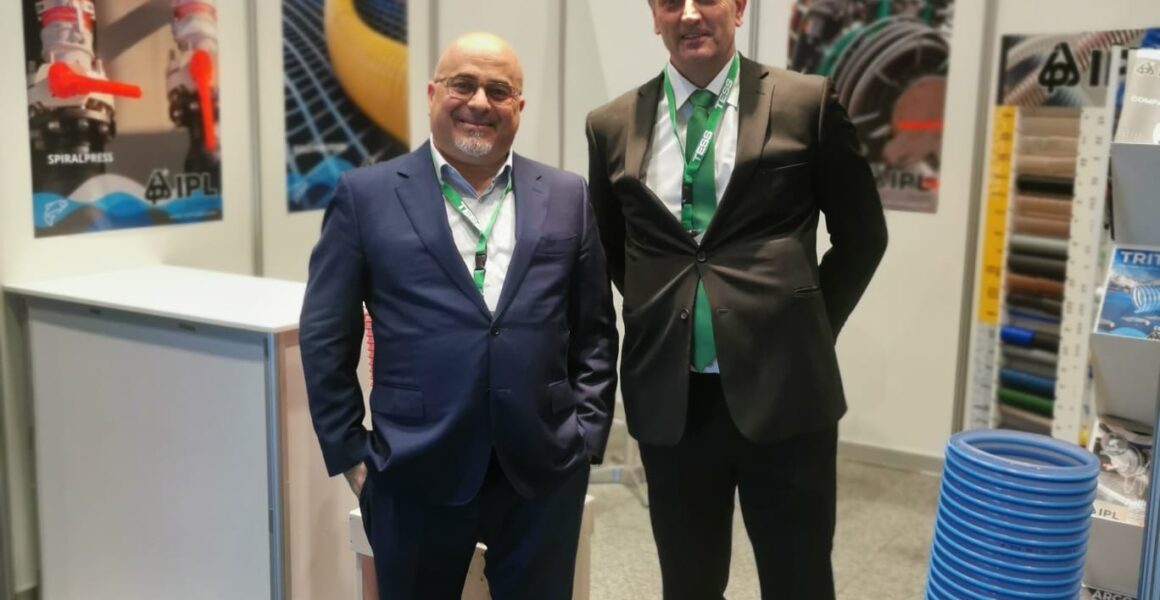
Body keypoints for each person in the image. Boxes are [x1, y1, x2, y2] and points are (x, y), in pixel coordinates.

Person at [585, 1, 888, 598]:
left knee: (798, 580)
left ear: (740, 7)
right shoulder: (612, 124)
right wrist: (665, 309)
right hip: (674, 401)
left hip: (786, 394)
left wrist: (806, 327)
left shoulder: (805, 102)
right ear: (653, 16)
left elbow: (863, 236)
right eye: (670, 2)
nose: (689, 14)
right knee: (688, 584)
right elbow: (614, 249)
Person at [300, 32, 618, 600]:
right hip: (414, 471)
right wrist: (351, 454)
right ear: (431, 94)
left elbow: (594, 330)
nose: (479, 103)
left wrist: (586, 436)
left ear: (519, 106)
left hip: (542, 471)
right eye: (463, 85)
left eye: (499, 91)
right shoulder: (365, 196)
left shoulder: (567, 195)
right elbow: (326, 336)